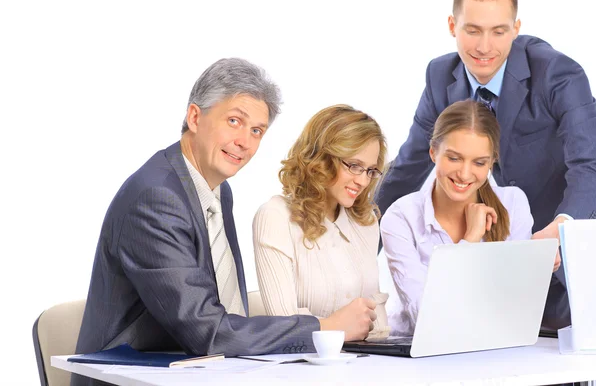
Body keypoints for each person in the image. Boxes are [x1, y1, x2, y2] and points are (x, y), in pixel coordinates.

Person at [73, 59, 376, 386]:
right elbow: (208, 331)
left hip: (205, 370)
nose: (245, 142)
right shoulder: (156, 199)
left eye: (257, 131)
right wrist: (326, 327)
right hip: (133, 378)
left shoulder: (217, 189)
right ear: (195, 117)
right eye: (234, 121)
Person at [376, 0, 596, 329]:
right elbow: (408, 168)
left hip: (571, 250)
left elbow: (592, 163)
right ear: (452, 25)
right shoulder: (440, 76)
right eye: (473, 30)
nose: (484, 47)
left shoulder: (559, 74)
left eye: (498, 31)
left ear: (516, 28)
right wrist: (358, 239)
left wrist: (563, 227)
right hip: (505, 264)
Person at [381, 100, 533, 334]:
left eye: (479, 162)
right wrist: (470, 240)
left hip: (493, 349)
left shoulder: (512, 204)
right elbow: (427, 316)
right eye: (454, 158)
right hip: (415, 356)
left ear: (492, 162)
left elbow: (516, 304)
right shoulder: (401, 217)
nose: (464, 174)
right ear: (433, 152)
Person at [253, 105, 390, 339]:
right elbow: (283, 326)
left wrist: (316, 323)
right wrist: (337, 325)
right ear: (321, 159)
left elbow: (380, 328)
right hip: (297, 368)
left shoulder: (365, 221)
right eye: (354, 166)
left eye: (370, 170)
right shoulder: (276, 217)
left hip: (361, 363)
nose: (363, 181)